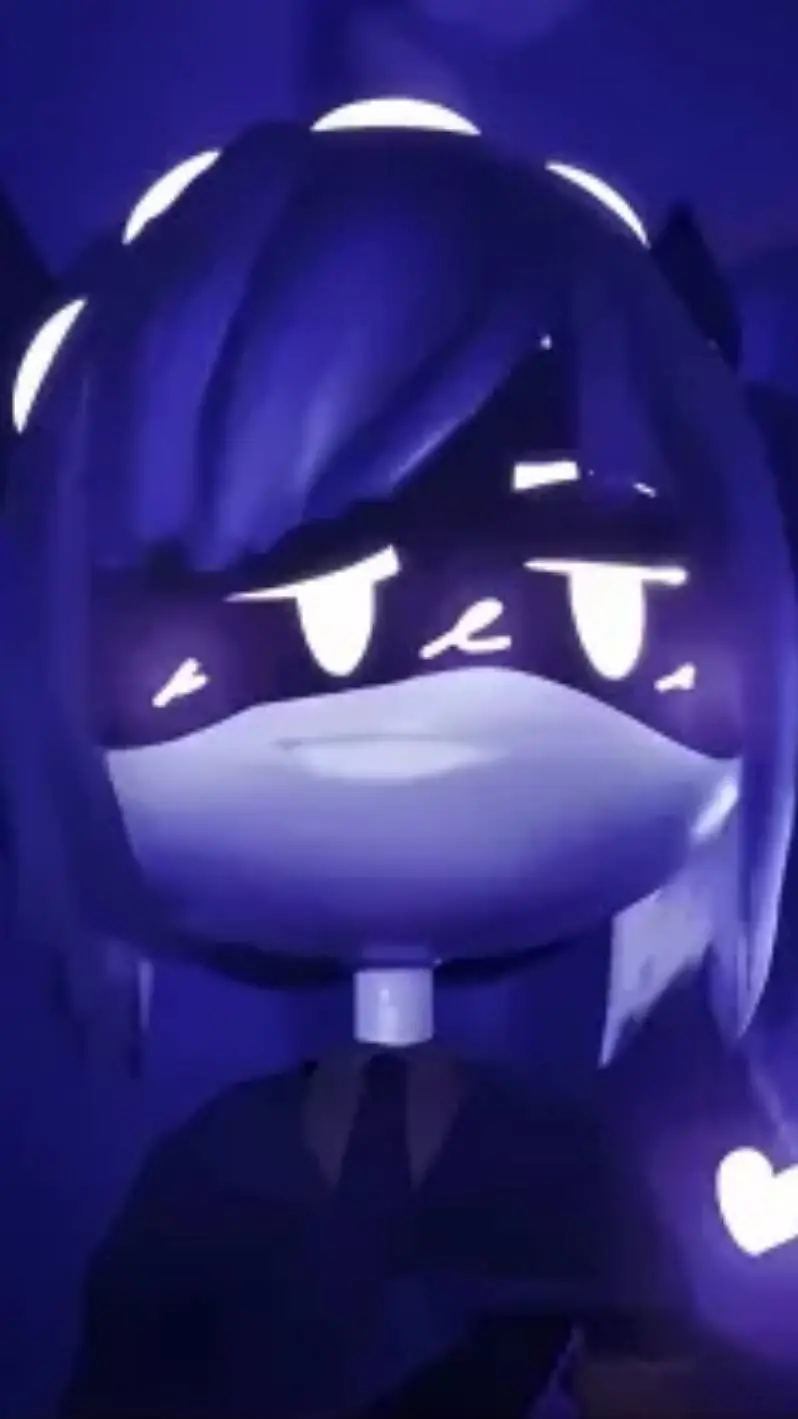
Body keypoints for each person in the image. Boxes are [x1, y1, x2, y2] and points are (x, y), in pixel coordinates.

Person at [1, 97, 795, 1417]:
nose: (463, 653)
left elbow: (644, 1375)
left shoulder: (554, 1165)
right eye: (305, 611)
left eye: (595, 604)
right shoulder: (214, 1167)